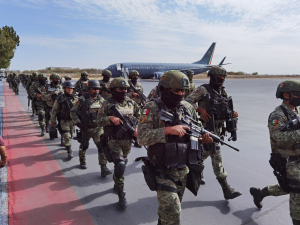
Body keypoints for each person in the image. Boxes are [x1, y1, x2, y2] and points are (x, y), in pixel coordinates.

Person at [137, 70, 213, 225]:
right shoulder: (151, 107)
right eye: (176, 90)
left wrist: (203, 139)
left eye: (183, 91)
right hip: (162, 169)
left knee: (167, 214)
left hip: (183, 169)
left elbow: (194, 132)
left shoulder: (187, 107)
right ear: (165, 89)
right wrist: (166, 130)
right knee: (174, 213)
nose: (181, 94)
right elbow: (141, 137)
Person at [185, 65, 241, 199]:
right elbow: (186, 102)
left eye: (223, 77)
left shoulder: (223, 91)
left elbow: (226, 107)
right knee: (216, 157)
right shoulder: (203, 90)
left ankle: (185, 172)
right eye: (219, 77)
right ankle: (226, 189)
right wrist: (200, 110)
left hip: (219, 130)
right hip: (206, 129)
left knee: (200, 156)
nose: (221, 79)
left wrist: (232, 113)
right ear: (212, 77)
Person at [250, 80, 300, 225]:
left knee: (287, 187)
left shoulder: (297, 111)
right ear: (286, 95)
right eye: (298, 94)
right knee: (297, 188)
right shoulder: (277, 115)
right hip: (288, 159)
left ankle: (261, 193)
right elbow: (277, 136)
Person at [97, 77, 141, 209]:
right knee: (120, 164)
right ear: (113, 90)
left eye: (125, 89)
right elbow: (98, 120)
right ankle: (122, 195)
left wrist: (138, 128)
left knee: (122, 163)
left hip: (127, 141)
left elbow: (140, 117)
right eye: (120, 89)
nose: (124, 91)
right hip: (113, 140)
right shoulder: (106, 103)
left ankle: (117, 183)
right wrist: (110, 118)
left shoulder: (131, 103)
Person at [70, 80, 111, 176]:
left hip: (98, 128)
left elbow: (107, 112)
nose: (96, 91)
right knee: (84, 146)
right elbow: (72, 112)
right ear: (89, 89)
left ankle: (103, 167)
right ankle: (82, 160)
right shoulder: (82, 100)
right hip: (86, 128)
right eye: (94, 89)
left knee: (102, 147)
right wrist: (78, 123)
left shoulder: (101, 100)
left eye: (98, 89)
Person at [50, 81, 78, 159]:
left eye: (71, 88)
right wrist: (52, 120)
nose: (70, 90)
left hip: (72, 120)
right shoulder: (60, 98)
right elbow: (54, 110)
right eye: (68, 88)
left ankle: (67, 144)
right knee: (66, 135)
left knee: (71, 135)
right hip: (63, 120)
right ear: (65, 89)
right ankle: (69, 151)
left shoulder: (76, 98)